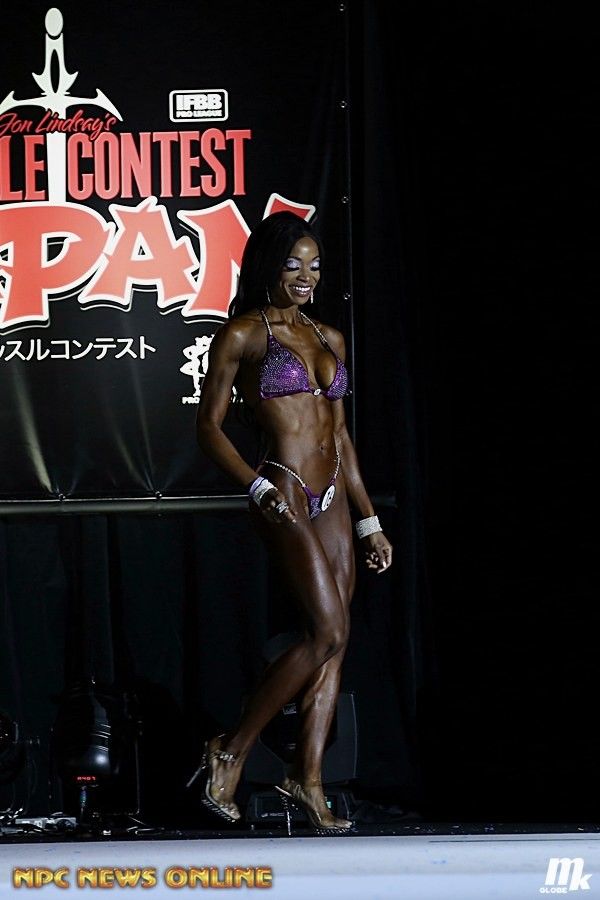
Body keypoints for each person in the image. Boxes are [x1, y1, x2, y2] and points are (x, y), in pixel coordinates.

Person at [194, 210, 393, 834]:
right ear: (268, 267)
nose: (306, 276)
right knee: (325, 627)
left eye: (315, 266)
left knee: (336, 641)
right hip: (282, 485)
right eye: (293, 264)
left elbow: (341, 436)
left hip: (334, 494)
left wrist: (368, 520)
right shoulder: (243, 334)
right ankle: (231, 750)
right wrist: (255, 486)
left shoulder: (329, 336)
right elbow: (208, 427)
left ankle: (307, 780)